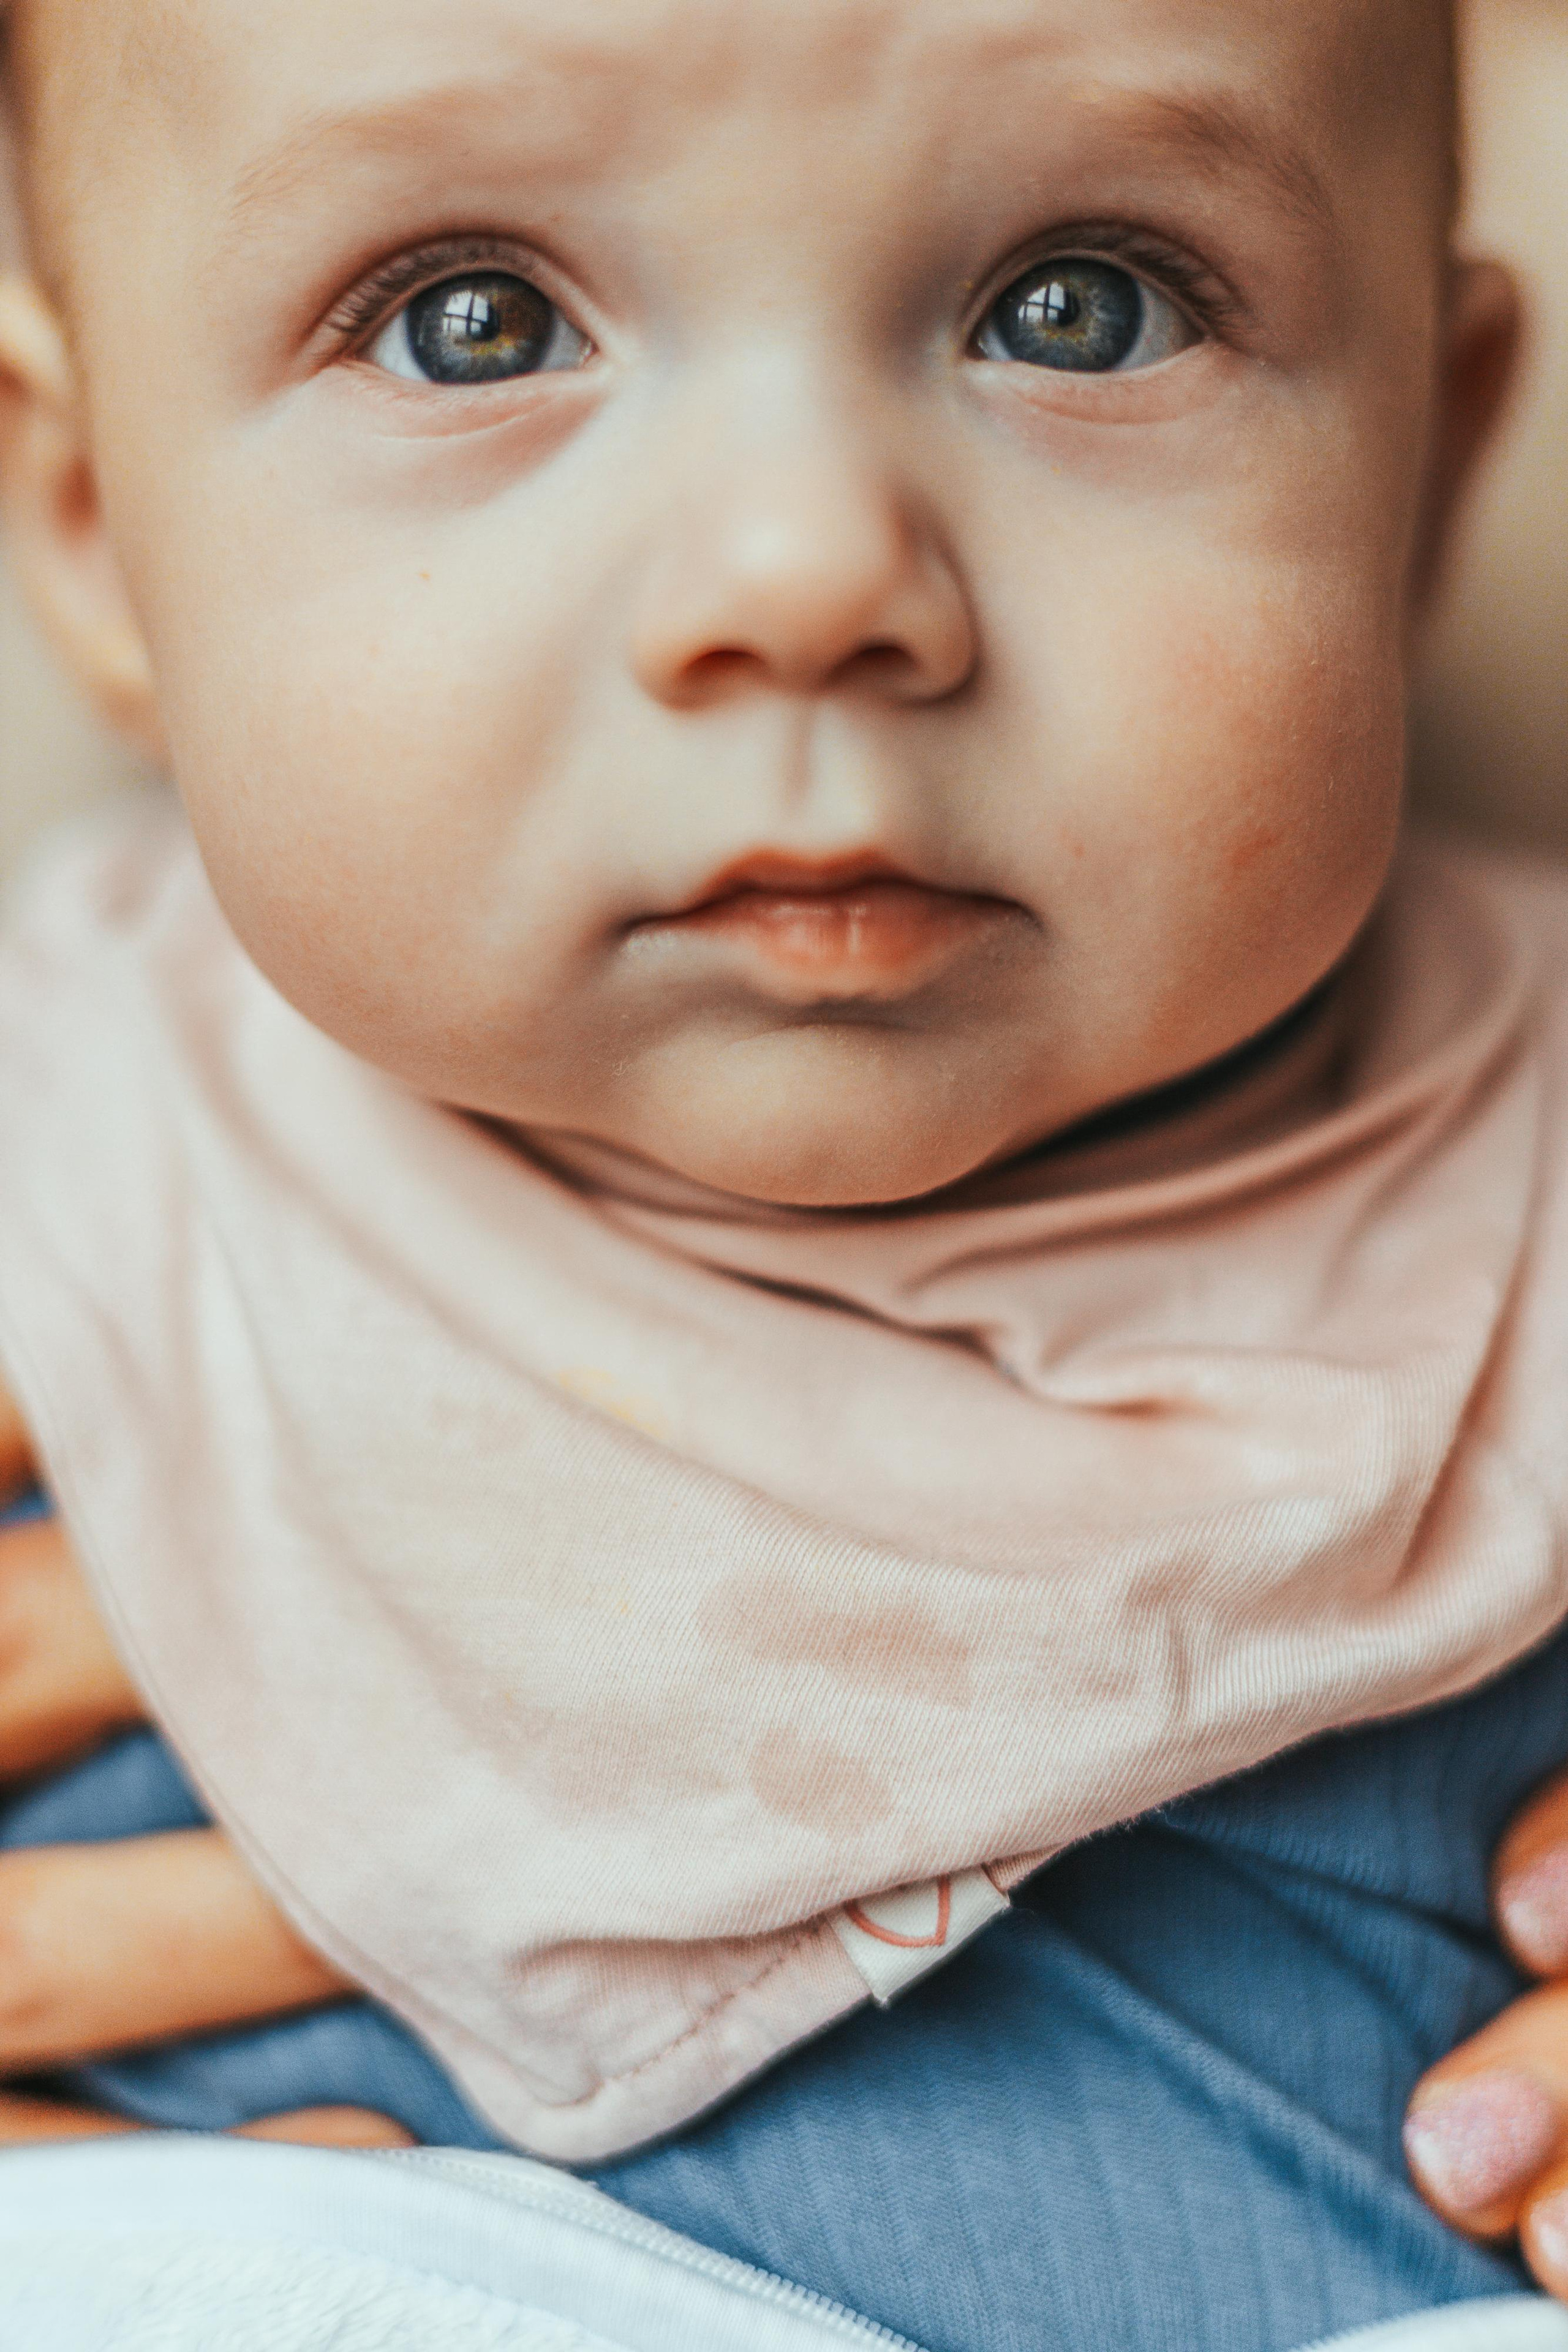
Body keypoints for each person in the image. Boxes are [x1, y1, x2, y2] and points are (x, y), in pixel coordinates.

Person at [3, 0, 1568, 2345]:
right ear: (100, 529)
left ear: (1428, 474)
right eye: (476, 321)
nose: (813, 570)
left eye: (1085, 306)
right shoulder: (63, 1149)